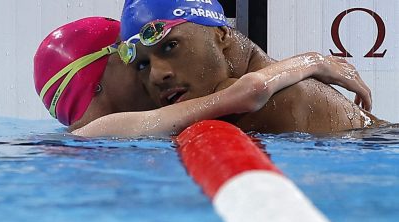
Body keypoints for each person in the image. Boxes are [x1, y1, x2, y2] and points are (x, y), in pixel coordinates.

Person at [33, 17, 372, 137]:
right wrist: (313, 61)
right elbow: (247, 92)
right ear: (99, 81)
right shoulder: (103, 132)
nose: (153, 74)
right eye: (132, 57)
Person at [119, 0, 386, 134]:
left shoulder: (270, 99)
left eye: (170, 46)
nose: (157, 75)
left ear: (222, 34)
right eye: (142, 64)